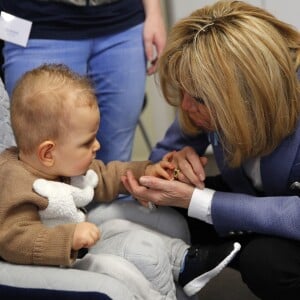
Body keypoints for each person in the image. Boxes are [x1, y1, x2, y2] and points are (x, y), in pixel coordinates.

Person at [0, 63, 241, 299]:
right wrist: (68, 239)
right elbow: (12, 239)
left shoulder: (62, 165)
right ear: (48, 153)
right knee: (126, 265)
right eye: (87, 143)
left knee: (120, 228)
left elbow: (108, 175)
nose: (97, 146)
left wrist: (148, 171)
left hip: (80, 239)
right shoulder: (16, 183)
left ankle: (184, 261)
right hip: (53, 260)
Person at [121, 1, 300, 299]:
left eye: (201, 99)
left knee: (267, 262)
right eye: (184, 92)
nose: (187, 107)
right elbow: (158, 164)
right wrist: (171, 165)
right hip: (259, 198)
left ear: (250, 94)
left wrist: (202, 201)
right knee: (166, 201)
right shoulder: (207, 97)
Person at [0, 0, 166, 164]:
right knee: (39, 162)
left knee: (117, 160)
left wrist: (154, 12)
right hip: (37, 24)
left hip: (122, 21)